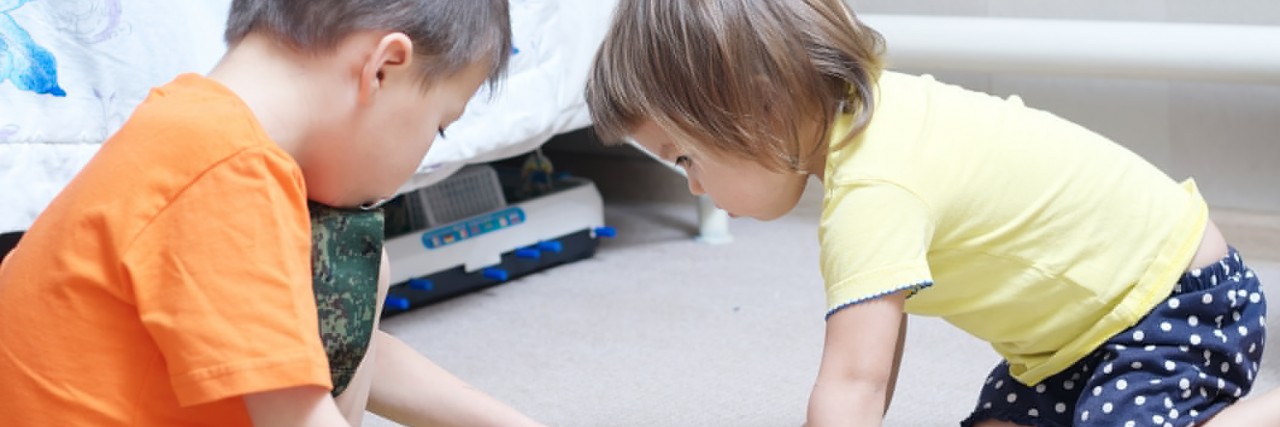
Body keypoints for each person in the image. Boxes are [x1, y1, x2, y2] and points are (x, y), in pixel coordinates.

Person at [585, 0, 1278, 426]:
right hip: (1075, 342)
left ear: (761, 108)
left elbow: (854, 383)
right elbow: (877, 359)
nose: (693, 186)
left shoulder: (875, 191)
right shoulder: (875, 120)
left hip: (1175, 306)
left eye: (685, 158)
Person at [0, 1, 545, 426]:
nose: (427, 150)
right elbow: (298, 417)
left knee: (353, 266)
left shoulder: (197, 130)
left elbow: (315, 350)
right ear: (383, 68)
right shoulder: (226, 173)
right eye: (440, 125)